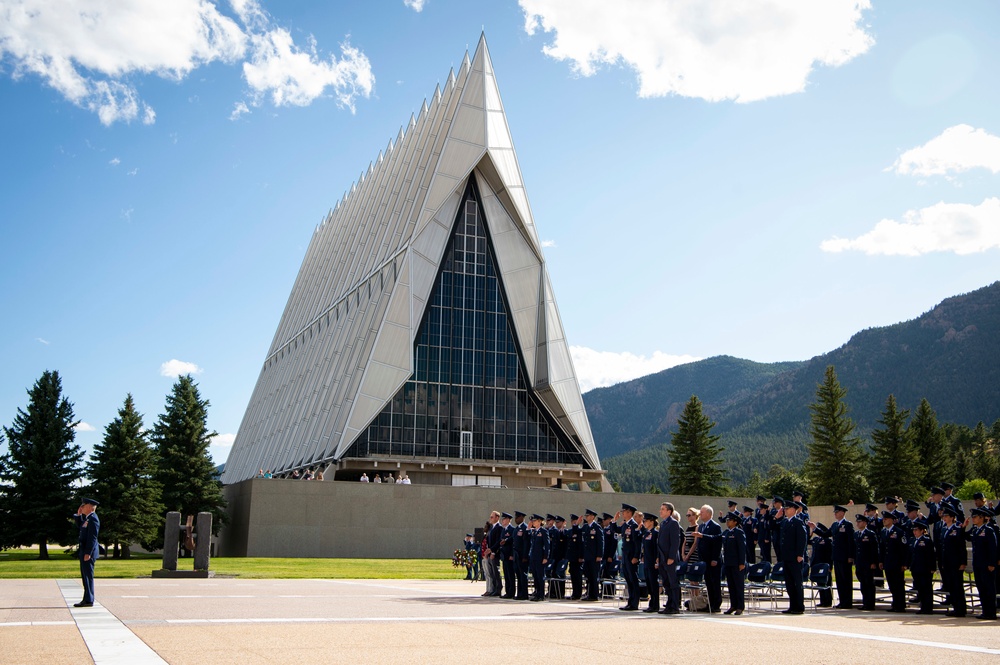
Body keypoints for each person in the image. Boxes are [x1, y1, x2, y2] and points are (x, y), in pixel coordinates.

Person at [693, 504, 723, 613]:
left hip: (712, 559)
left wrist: (715, 558)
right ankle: (710, 603)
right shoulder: (701, 526)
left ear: (709, 514)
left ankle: (716, 604)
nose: (700, 514)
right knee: (708, 583)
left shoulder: (715, 526)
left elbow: (717, 543)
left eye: (703, 512)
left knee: (715, 582)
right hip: (704, 560)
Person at [969, 507, 998, 620]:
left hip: (986, 565)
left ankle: (991, 612)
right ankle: (985, 611)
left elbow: (992, 548)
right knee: (981, 588)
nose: (973, 519)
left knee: (989, 589)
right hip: (978, 564)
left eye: (975, 517)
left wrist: (992, 563)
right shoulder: (976, 530)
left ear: (982, 518)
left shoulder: (988, 530)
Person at [939, 506, 967, 617]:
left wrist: (963, 562)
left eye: (946, 516)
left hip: (956, 563)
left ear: (952, 517)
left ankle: (961, 609)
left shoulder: (957, 529)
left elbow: (961, 547)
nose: (944, 518)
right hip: (947, 562)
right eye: (944, 516)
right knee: (951, 586)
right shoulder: (944, 529)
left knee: (957, 586)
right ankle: (956, 607)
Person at [780, 500, 807, 614]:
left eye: (787, 509)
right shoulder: (785, 522)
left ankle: (799, 606)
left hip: (795, 557)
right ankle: (792, 606)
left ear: (793, 510)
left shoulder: (798, 522)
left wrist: (800, 554)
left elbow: (802, 539)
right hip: (787, 557)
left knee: (797, 582)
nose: (785, 511)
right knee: (789, 583)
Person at [73, 498, 101, 608]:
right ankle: (87, 598)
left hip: (88, 552)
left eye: (83, 506)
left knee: (88, 576)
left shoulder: (93, 519)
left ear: (89, 507)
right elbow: (80, 526)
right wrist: (79, 515)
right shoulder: (87, 518)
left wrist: (88, 552)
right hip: (85, 551)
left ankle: (89, 599)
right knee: (85, 576)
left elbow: (92, 538)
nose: (81, 507)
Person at [879, 511, 908, 613]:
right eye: (883, 519)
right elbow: (882, 548)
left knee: (898, 585)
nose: (884, 521)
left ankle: (900, 605)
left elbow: (903, 549)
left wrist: (904, 563)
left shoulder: (899, 532)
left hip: (897, 563)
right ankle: (895, 603)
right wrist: (881, 561)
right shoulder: (883, 532)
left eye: (886, 519)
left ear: (891, 520)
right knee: (891, 585)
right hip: (888, 563)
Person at [658, 502, 683, 615]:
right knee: (666, 583)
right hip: (663, 557)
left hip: (670, 558)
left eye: (663, 509)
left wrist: (672, 557)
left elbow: (675, 542)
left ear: (669, 511)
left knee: (673, 582)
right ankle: (669, 604)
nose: (660, 511)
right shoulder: (663, 523)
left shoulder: (673, 523)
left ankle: (675, 605)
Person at [617, 504, 642, 611]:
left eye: (625, 511)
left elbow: (637, 543)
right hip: (626, 556)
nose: (623, 513)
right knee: (628, 579)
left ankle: (634, 603)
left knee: (633, 580)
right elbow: (615, 530)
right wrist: (614, 520)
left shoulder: (633, 525)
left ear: (630, 513)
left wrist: (636, 556)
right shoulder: (625, 525)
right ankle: (630, 601)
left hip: (631, 557)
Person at [908, 519, 936, 614]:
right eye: (914, 530)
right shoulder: (913, 540)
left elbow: (931, 555)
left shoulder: (926, 540)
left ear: (922, 531)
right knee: (920, 589)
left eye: (916, 530)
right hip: (916, 568)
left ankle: (927, 608)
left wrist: (932, 567)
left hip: (925, 569)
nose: (914, 532)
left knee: (926, 589)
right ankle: (923, 606)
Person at [830, 504, 854, 609]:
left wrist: (850, 556)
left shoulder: (848, 525)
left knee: (846, 580)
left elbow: (850, 541)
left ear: (842, 513)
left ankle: (847, 602)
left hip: (845, 556)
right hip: (837, 556)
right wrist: (815, 529)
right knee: (839, 580)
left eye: (837, 512)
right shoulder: (835, 525)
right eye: (835, 512)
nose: (835, 514)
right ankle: (842, 601)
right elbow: (827, 533)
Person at [722, 511, 747, 615]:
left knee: (738, 585)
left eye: (730, 520)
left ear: (735, 522)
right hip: (728, 563)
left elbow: (742, 549)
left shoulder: (739, 532)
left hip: (737, 563)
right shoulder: (727, 533)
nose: (727, 522)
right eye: (727, 520)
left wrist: (742, 562)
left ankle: (740, 606)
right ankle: (733, 605)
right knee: (731, 585)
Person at [809, 522, 833, 608]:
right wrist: (811, 533)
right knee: (819, 584)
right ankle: (822, 601)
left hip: (824, 565)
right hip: (816, 564)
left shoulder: (827, 540)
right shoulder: (816, 540)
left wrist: (830, 565)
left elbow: (830, 554)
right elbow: (807, 541)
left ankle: (828, 601)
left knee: (826, 583)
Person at [582, 509, 604, 601]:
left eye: (588, 516)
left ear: (592, 517)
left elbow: (600, 542)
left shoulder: (597, 527)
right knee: (588, 576)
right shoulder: (586, 527)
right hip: (587, 556)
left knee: (594, 576)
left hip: (594, 556)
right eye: (586, 516)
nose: (586, 517)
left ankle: (594, 595)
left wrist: (599, 555)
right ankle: (589, 593)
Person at [640, 512, 660, 612]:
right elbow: (644, 548)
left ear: (651, 522)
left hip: (653, 562)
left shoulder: (655, 533)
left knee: (653, 583)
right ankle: (651, 604)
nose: (644, 523)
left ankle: (655, 605)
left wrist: (657, 560)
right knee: (648, 583)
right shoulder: (646, 533)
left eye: (646, 521)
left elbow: (657, 548)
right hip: (647, 561)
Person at [528, 514, 549, 601]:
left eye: (535, 521)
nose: (533, 522)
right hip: (533, 557)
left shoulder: (543, 531)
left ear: (540, 521)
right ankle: (536, 592)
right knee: (535, 576)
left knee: (540, 576)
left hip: (540, 557)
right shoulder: (533, 532)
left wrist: (545, 557)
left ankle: (541, 594)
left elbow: (547, 545)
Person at [485, 511, 503, 597]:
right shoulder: (492, 528)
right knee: (491, 573)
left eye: (492, 517)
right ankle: (494, 588)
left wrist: (493, 552)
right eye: (490, 517)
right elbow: (489, 541)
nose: (490, 519)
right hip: (489, 553)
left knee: (496, 572)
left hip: (494, 554)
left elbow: (498, 542)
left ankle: (498, 589)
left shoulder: (499, 528)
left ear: (497, 518)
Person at [512, 511, 530, 600]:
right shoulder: (516, 529)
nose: (516, 519)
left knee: (523, 576)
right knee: (518, 576)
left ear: (522, 518)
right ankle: (519, 593)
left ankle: (524, 594)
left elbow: (526, 543)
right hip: (516, 556)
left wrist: (525, 556)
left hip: (522, 556)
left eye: (517, 517)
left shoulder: (525, 528)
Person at [550, 516, 569, 599]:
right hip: (554, 557)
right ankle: (553, 592)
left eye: (559, 522)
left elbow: (566, 546)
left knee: (560, 575)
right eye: (556, 522)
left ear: (563, 523)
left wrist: (564, 557)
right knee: (553, 574)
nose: (557, 524)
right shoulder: (554, 532)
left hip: (562, 558)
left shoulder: (566, 532)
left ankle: (561, 593)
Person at [567, 514, 584, 600]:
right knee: (573, 576)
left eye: (575, 521)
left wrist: (581, 556)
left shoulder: (580, 531)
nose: (573, 523)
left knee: (578, 576)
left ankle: (578, 593)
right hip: (572, 557)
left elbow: (581, 545)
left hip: (578, 558)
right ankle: (574, 593)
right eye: (572, 521)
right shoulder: (571, 531)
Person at [499, 512, 515, 599]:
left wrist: (512, 555)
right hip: (504, 556)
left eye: (504, 519)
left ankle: (511, 592)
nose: (502, 521)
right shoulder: (503, 530)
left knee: (510, 574)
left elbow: (513, 544)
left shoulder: (512, 530)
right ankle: (507, 591)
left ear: (508, 520)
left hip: (509, 556)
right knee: (506, 574)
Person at [601, 512, 619, 580]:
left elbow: (614, 544)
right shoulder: (604, 530)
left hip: (609, 557)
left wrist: (611, 556)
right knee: (603, 575)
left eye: (605, 519)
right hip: (604, 556)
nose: (603, 521)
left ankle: (609, 591)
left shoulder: (612, 530)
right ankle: (604, 590)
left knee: (609, 576)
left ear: (609, 520)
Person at [755, 496, 772, 563]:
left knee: (766, 554)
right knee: (763, 553)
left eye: (761, 509)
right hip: (761, 537)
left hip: (765, 538)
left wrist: (767, 537)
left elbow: (768, 528)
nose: (760, 511)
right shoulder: (761, 517)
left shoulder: (767, 517)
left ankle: (768, 565)